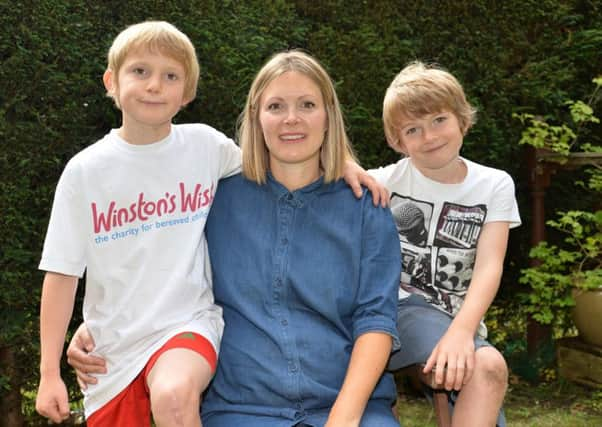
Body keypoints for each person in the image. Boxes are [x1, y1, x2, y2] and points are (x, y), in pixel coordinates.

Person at [66, 50, 402, 427]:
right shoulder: (215, 196)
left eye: (307, 104)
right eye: (276, 106)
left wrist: (343, 417)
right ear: (257, 117)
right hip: (242, 409)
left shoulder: (366, 207)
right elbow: (156, 260)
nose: (291, 118)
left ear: (329, 116)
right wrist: (105, 321)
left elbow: (376, 321)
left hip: (348, 404)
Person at [370, 61, 521, 426]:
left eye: (439, 120)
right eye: (413, 129)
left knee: (484, 375)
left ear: (462, 119)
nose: (430, 136)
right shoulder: (385, 181)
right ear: (397, 141)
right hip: (400, 310)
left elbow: (489, 266)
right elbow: (327, 171)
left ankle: (443, 396)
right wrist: (344, 166)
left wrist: (462, 332)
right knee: (488, 365)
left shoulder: (494, 184)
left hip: (458, 318)